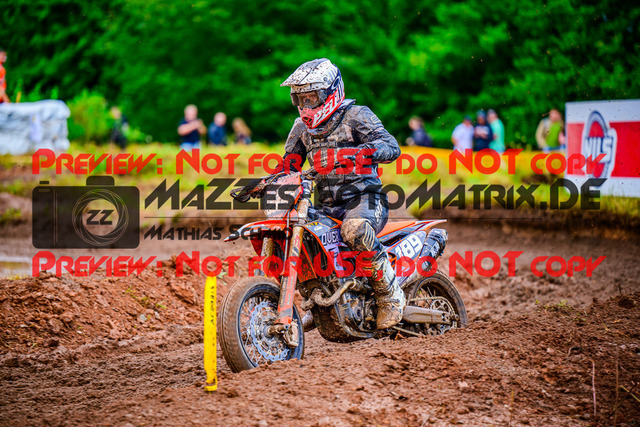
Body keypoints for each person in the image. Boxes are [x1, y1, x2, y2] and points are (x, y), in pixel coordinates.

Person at [280, 58, 404, 329]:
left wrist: (353, 153)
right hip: (327, 205)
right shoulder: (301, 128)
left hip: (365, 198)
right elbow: (288, 166)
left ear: (330, 92)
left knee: (354, 230)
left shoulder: (356, 115)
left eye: (312, 98)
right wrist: (263, 184)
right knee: (294, 230)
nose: (306, 105)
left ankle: (389, 295)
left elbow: (391, 146)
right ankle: (317, 297)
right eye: (300, 99)